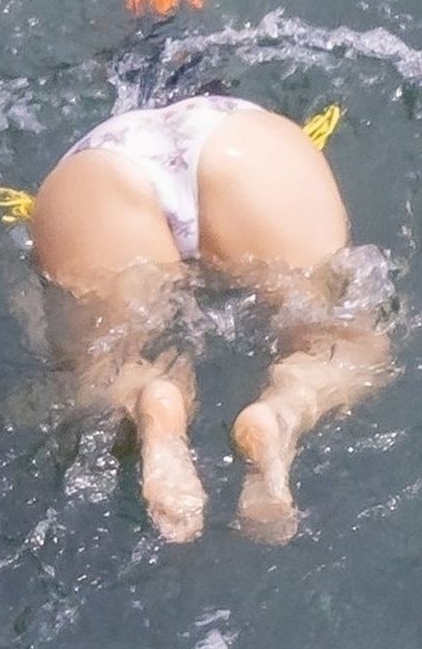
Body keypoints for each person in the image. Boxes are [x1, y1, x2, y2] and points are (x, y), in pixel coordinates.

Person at [27, 93, 391, 543]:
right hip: (242, 143)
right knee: (342, 341)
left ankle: (149, 400)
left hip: (100, 169)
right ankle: (285, 410)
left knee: (105, 366)